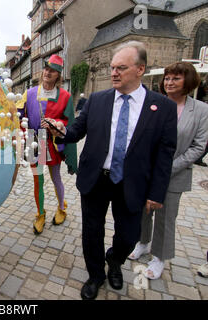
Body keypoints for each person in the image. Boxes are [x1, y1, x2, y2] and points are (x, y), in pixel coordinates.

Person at [45, 41, 177, 300]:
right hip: (96, 179)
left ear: (140, 69)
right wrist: (60, 132)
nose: (114, 72)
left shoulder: (162, 107)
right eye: (112, 67)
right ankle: (96, 275)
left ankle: (115, 260)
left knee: (129, 236)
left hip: (133, 182)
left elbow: (165, 154)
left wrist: (157, 193)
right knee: (91, 232)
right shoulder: (97, 99)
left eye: (121, 68)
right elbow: (76, 131)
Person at [128, 62, 208, 279]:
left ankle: (159, 257)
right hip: (147, 171)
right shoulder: (154, 104)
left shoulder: (200, 110)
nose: (169, 82)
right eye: (168, 78)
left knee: (165, 217)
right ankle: (143, 242)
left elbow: (199, 146)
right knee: (144, 212)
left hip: (175, 174)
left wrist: (167, 168)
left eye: (176, 78)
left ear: (188, 82)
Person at [16, 54, 77, 235]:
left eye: (52, 71)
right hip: (35, 142)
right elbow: (18, 115)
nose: (47, 73)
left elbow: (70, 124)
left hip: (52, 143)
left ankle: (61, 208)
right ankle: (40, 214)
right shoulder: (30, 93)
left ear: (58, 75)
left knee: (56, 177)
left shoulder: (65, 96)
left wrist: (56, 124)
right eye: (46, 69)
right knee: (38, 181)